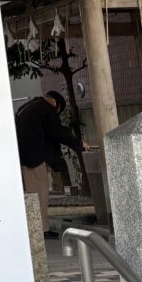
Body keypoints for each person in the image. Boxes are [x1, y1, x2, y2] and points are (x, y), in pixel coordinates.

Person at [15, 91, 88, 238]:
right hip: (34, 158)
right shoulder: (45, 109)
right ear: (55, 103)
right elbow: (57, 132)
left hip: (23, 156)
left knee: (34, 194)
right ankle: (40, 230)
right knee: (39, 193)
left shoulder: (28, 106)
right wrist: (78, 143)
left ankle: (37, 228)